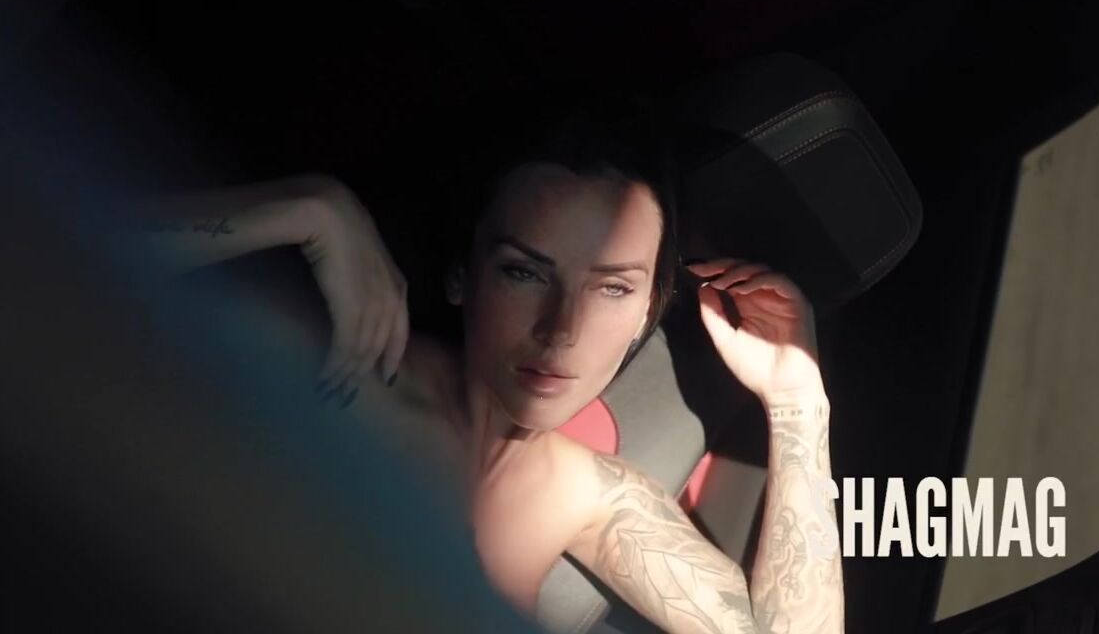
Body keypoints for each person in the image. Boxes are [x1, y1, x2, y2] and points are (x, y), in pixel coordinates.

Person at [114, 109, 845, 633]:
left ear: (647, 312)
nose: (562, 331)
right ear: (462, 274)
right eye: (525, 273)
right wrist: (306, 209)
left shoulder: (585, 492)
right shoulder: (322, 366)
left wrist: (798, 404)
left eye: (612, 289)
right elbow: (61, 272)